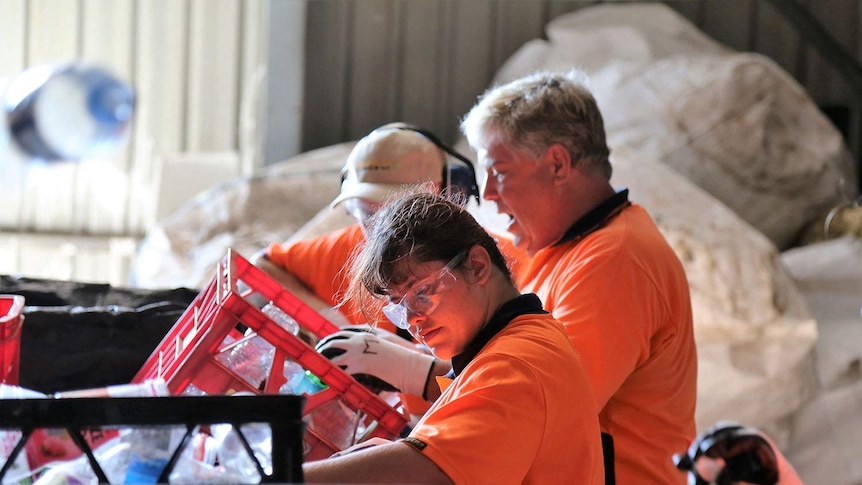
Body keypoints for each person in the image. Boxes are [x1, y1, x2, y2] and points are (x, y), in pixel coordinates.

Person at [324, 69, 698, 484]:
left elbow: (523, 399)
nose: (491, 196)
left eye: (499, 172)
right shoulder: (561, 250)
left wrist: (412, 371)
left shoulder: (616, 259)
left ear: (557, 163)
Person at [305, 191, 605, 484]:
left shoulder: (514, 364)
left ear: (477, 266)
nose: (411, 321)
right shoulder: (516, 342)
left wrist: (282, 479)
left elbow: (427, 473)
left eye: (422, 292)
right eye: (398, 307)